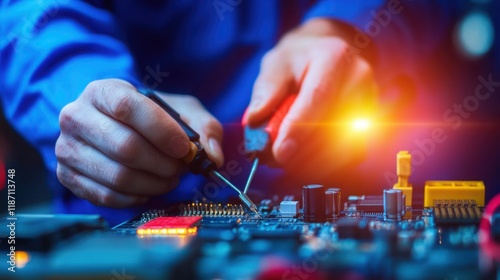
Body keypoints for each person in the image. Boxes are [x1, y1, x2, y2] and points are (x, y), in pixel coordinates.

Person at [1, 0, 447, 225]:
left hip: (353, 188)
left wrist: (349, 26)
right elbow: (28, 15)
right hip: (125, 218)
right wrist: (87, 97)